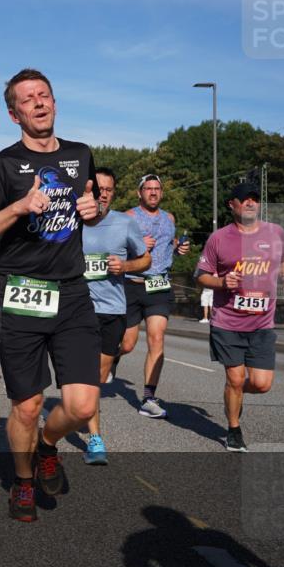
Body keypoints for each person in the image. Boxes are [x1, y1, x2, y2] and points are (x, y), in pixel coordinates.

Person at [0, 68, 100, 522]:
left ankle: (47, 445)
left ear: (55, 103)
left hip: (73, 293)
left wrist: (95, 211)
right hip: (22, 294)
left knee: (82, 405)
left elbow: (92, 212)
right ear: (14, 114)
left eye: (45, 95)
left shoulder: (81, 154)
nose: (39, 103)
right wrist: (20, 206)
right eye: (28, 99)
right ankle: (23, 482)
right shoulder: (3, 164)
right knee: (28, 405)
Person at [195, 182, 284, 452]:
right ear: (232, 204)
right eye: (244, 199)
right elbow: (200, 276)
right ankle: (233, 430)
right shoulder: (219, 238)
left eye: (255, 199)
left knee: (262, 384)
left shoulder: (276, 233)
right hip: (228, 322)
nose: (251, 203)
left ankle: (235, 396)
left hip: (262, 323)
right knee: (236, 378)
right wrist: (222, 282)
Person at [80, 167, 151, 465]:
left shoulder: (125, 223)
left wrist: (125, 267)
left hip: (112, 310)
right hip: (77, 310)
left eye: (109, 189)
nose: (104, 193)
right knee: (83, 379)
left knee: (94, 378)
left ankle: (84, 418)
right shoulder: (72, 222)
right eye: (99, 188)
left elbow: (145, 259)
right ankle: (95, 437)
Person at [116, 174, 191, 417]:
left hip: (159, 286)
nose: (153, 192)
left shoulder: (169, 218)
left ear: (161, 192)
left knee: (156, 339)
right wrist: (136, 245)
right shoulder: (128, 217)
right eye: (148, 189)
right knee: (127, 344)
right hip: (132, 284)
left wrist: (179, 248)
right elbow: (115, 248)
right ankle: (113, 357)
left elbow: (168, 246)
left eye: (157, 189)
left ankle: (149, 398)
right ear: (140, 193)